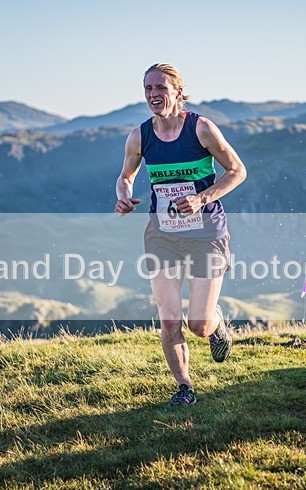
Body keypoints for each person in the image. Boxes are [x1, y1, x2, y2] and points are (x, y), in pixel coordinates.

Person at [115, 63, 247, 409]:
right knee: (169, 318)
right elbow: (126, 176)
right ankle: (184, 388)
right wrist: (123, 195)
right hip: (163, 235)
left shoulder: (201, 129)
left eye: (161, 87)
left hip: (206, 234)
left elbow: (237, 170)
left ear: (178, 91)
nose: (153, 94)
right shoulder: (140, 136)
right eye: (148, 89)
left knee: (198, 325)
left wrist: (201, 198)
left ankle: (216, 323)